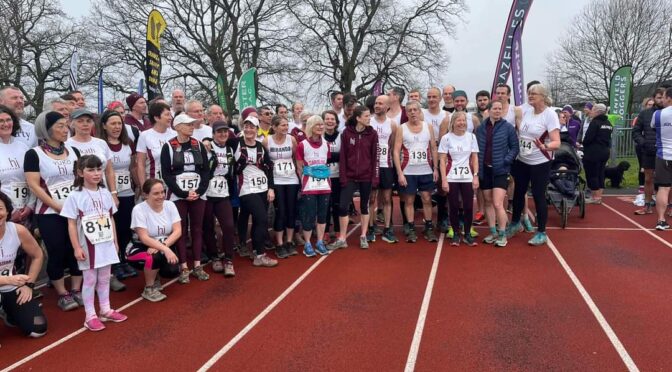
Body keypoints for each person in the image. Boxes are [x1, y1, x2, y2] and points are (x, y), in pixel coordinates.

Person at [61, 155, 128, 331]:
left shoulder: (105, 192)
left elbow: (111, 218)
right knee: (90, 279)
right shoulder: (75, 196)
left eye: (99, 169)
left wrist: (115, 240)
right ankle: (90, 315)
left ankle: (105, 309)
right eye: (91, 170)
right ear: (80, 173)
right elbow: (71, 223)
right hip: (88, 244)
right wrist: (76, 247)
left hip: (105, 242)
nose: (96, 173)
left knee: (105, 277)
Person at [24, 111, 82, 311]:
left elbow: (80, 179)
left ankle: (76, 288)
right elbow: (34, 185)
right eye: (60, 126)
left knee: (76, 249)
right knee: (56, 251)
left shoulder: (74, 151)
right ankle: (62, 293)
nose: (66, 130)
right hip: (50, 213)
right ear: (46, 130)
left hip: (75, 211)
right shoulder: (34, 154)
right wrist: (57, 206)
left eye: (66, 126)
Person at [507, 84, 560, 246]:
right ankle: (516, 223)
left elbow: (557, 142)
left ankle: (541, 231)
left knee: (538, 195)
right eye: (529, 93)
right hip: (523, 159)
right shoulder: (527, 111)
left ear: (543, 96)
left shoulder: (550, 115)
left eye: (534, 94)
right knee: (518, 193)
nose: (530, 96)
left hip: (540, 161)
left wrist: (546, 146)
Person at [161, 113, 211, 283]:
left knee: (197, 228)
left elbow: (205, 170)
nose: (191, 127)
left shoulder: (198, 145)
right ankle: (184, 267)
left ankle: (197, 265)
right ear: (178, 127)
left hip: (198, 192)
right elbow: (166, 174)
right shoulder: (168, 146)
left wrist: (200, 189)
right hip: (177, 194)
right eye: (188, 124)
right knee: (180, 230)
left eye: (192, 124)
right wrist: (182, 193)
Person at [328, 106, 379, 250]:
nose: (369, 118)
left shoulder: (372, 134)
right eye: (367, 116)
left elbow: (375, 157)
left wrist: (375, 178)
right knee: (343, 206)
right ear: (358, 118)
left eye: (370, 116)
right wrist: (343, 176)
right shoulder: (346, 133)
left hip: (366, 176)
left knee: (364, 206)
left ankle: (363, 235)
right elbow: (343, 157)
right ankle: (342, 238)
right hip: (349, 176)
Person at [0, 191, 47, 339]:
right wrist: (9, 280)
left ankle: (8, 310)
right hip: (9, 281)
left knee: (38, 328)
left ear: (7, 211)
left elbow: (38, 255)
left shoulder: (17, 230)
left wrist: (29, 284)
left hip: (10, 287)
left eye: (0, 208)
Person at [232, 116, 278, 267]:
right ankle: (260, 254)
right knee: (262, 217)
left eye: (252, 127)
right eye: (246, 126)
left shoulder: (260, 147)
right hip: (246, 189)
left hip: (262, 188)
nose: (249, 130)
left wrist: (271, 187)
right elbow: (218, 141)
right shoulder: (236, 144)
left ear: (257, 130)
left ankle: (257, 251)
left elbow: (269, 168)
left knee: (260, 220)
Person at [97, 110, 138, 281]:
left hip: (127, 192)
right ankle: (114, 264)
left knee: (125, 228)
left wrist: (139, 186)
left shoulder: (128, 143)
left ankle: (123, 260)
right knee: (112, 229)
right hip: (108, 193)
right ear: (104, 126)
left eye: (119, 123)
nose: (116, 127)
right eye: (112, 123)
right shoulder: (100, 144)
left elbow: (133, 166)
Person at [128, 179, 180, 302]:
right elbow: (144, 237)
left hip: (161, 245)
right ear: (145, 195)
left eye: (163, 192)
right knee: (152, 257)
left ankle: (155, 274)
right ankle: (149, 288)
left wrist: (163, 246)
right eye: (156, 193)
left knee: (172, 271)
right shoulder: (139, 209)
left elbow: (178, 231)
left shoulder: (170, 205)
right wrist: (164, 248)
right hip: (139, 246)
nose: (161, 196)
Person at [394, 100, 439, 243]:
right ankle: (411, 228)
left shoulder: (428, 127)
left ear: (420, 111)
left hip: (426, 170)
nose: (413, 112)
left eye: (415, 110)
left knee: (427, 199)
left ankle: (428, 227)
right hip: (408, 171)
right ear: (406, 113)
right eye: (410, 110)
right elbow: (396, 151)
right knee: (409, 200)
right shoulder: (402, 128)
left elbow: (433, 148)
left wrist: (436, 168)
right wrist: (400, 173)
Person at [476, 101, 519, 247]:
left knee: (497, 203)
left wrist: (506, 161)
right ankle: (493, 232)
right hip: (485, 170)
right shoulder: (481, 128)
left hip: (500, 170)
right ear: (488, 111)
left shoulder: (508, 128)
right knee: (487, 202)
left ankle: (502, 233)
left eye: (500, 109)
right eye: (495, 108)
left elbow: (515, 147)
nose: (497, 111)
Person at [439, 111, 480, 246]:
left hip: (467, 176)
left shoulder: (472, 137)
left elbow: (474, 157)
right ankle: (455, 233)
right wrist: (444, 179)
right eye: (459, 120)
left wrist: (475, 176)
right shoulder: (446, 138)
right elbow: (442, 160)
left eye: (464, 121)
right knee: (454, 206)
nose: (462, 123)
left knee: (468, 206)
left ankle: (467, 233)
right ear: (453, 123)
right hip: (452, 176)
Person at [203, 121, 237, 276]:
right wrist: (206, 140)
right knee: (208, 226)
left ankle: (228, 260)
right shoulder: (207, 147)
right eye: (219, 132)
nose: (223, 134)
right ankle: (215, 257)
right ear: (213, 134)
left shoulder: (230, 149)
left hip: (223, 193)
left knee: (228, 226)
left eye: (225, 131)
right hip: (207, 193)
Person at [263, 115, 299, 258]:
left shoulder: (292, 139)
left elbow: (296, 158)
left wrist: (299, 175)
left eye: (286, 125)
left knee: (291, 210)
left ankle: (289, 241)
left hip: (291, 179)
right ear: (274, 127)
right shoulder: (267, 141)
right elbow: (265, 162)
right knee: (281, 211)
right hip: (276, 180)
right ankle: (279, 243)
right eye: (282, 125)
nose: (285, 128)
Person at [296, 115, 332, 256]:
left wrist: (320, 172)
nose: (321, 127)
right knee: (309, 216)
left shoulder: (326, 144)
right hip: (309, 186)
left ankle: (320, 242)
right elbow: (300, 167)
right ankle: (307, 243)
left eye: (322, 125)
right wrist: (304, 181)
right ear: (311, 126)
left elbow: (325, 163)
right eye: (318, 125)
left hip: (324, 185)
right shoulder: (302, 145)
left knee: (323, 215)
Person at [65, 109, 118, 203]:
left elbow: (109, 170)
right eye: (80, 121)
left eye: (88, 121)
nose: (85, 124)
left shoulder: (101, 143)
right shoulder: (66, 145)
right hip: (79, 196)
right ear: (72, 124)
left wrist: (113, 193)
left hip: (102, 193)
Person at [368, 95, 399, 244]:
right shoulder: (368, 122)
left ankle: (387, 228)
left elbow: (393, 147)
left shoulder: (392, 124)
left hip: (386, 166)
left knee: (387, 198)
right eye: (376, 103)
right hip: (371, 167)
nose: (377, 105)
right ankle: (371, 227)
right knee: (371, 198)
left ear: (387, 106)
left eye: (380, 103)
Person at [633, 88, 666, 215]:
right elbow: (636, 131)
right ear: (653, 98)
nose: (661, 100)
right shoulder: (645, 114)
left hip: (666, 151)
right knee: (648, 179)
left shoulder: (669, 113)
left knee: (668, 180)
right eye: (658, 97)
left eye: (663, 97)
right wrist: (644, 143)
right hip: (649, 150)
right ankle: (647, 205)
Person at [0, 105, 34, 225]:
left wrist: (30, 206)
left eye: (8, 120)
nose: (5, 124)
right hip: (4, 214)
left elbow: (33, 180)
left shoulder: (23, 147)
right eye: (1, 121)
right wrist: (10, 210)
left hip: (26, 212)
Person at [136, 101, 177, 186]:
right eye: (167, 115)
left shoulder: (175, 134)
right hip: (153, 184)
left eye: (170, 114)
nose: (170, 118)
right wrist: (144, 187)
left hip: (173, 185)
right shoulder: (145, 136)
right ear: (156, 118)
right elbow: (140, 164)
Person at [582, 104, 613, 204]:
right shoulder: (608, 123)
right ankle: (599, 196)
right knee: (601, 173)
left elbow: (588, 138)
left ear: (597, 111)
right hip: (605, 151)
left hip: (593, 152)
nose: (591, 111)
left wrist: (583, 143)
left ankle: (595, 197)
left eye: (593, 110)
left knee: (592, 173)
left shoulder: (595, 122)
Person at [652, 87, 672, 230]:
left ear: (669, 98)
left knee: (663, 188)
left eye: (664, 97)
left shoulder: (658, 114)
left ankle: (661, 219)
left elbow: (654, 127)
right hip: (664, 153)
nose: (662, 100)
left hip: (664, 154)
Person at [323, 110, 342, 243]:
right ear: (323, 121)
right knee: (324, 205)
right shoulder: (319, 136)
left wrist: (328, 156)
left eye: (332, 119)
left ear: (336, 122)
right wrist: (335, 156)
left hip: (338, 175)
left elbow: (344, 156)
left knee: (337, 204)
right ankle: (324, 232)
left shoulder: (341, 136)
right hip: (323, 176)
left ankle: (338, 229)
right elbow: (320, 156)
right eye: (327, 119)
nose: (330, 121)